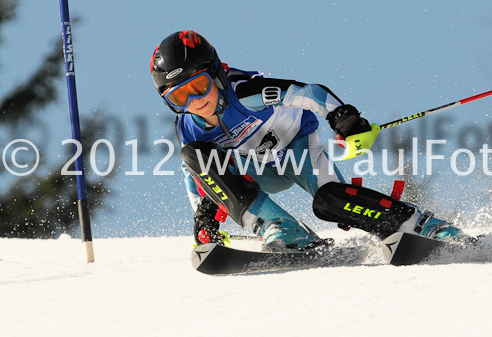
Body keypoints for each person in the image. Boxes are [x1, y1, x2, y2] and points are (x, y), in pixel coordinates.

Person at [150, 30, 465, 252]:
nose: (195, 101)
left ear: (216, 74)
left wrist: (341, 116)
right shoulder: (190, 128)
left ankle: (419, 224)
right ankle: (282, 227)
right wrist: (203, 216)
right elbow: (198, 174)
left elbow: (305, 92)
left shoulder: (244, 92)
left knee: (330, 202)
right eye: (179, 96)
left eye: (200, 86)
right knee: (193, 154)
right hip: (257, 170)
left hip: (298, 149)